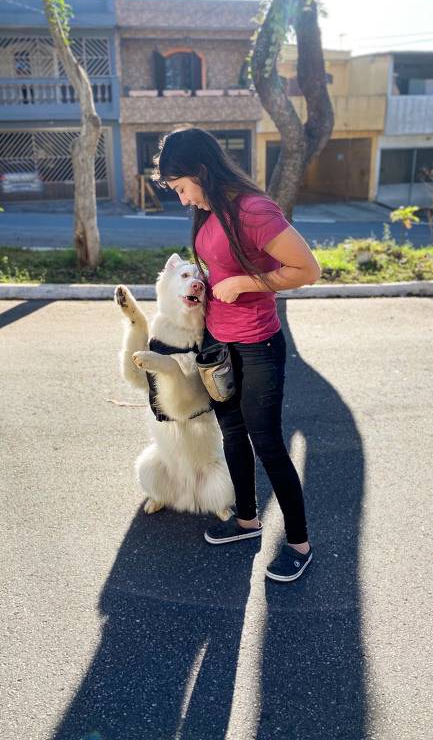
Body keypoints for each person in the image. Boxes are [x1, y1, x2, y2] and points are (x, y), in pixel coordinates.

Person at [153, 127, 321, 583]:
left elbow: (308, 269)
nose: (184, 200)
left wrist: (245, 284)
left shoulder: (253, 210)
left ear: (202, 172)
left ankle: (299, 545)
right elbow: (222, 266)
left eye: (183, 188)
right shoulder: (212, 211)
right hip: (218, 343)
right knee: (232, 434)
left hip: (258, 344)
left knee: (267, 444)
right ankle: (247, 522)